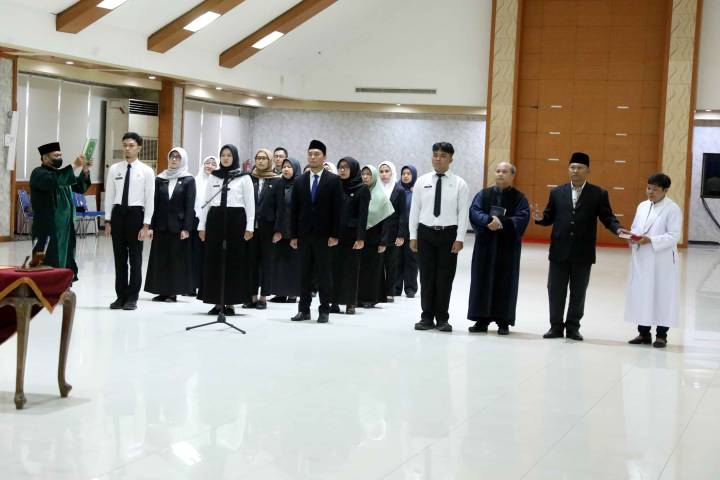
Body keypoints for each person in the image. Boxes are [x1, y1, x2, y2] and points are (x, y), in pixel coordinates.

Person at [532, 151, 623, 341]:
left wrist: (618, 229)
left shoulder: (598, 193)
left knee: (578, 291)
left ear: (588, 170)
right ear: (568, 169)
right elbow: (549, 216)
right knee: (555, 290)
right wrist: (540, 218)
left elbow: (607, 217)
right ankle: (555, 327)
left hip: (583, 251)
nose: (575, 171)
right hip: (559, 250)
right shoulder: (557, 192)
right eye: (572, 167)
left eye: (579, 168)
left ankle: (573, 327)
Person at [409, 142, 470, 332]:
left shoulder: (459, 184)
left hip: (448, 234)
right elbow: (415, 210)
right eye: (435, 154)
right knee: (426, 277)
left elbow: (463, 213)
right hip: (425, 233)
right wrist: (413, 235)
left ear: (451, 159)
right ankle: (426, 317)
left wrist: (460, 238)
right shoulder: (422, 181)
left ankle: (442, 318)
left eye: (443, 155)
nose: (438, 158)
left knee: (445, 278)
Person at [467, 162, 530, 335]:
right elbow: (474, 211)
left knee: (506, 282)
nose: (500, 174)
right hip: (485, 246)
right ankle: (481, 320)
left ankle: (503, 321)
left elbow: (522, 217)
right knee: (481, 280)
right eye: (498, 171)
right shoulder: (483, 194)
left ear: (512, 175)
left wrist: (502, 223)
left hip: (507, 248)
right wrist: (488, 221)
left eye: (505, 171)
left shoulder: (520, 198)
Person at [624, 173, 682, 348]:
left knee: (661, 295)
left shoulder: (672, 209)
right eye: (649, 188)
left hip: (662, 260)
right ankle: (643, 333)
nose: (650, 192)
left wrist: (651, 240)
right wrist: (631, 237)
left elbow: (674, 235)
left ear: (665, 190)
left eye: (655, 190)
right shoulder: (642, 206)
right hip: (642, 257)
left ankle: (661, 335)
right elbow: (636, 227)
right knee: (643, 294)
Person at [290, 140, 344, 323]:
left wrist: (335, 234)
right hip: (304, 235)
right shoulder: (300, 180)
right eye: (310, 154)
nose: (313, 157)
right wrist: (293, 235)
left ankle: (324, 310)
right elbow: (294, 210)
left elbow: (338, 210)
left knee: (324, 274)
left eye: (317, 154)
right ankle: (303, 310)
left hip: (325, 236)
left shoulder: (333, 180)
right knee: (304, 274)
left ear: (324, 157)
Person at [197, 144, 255, 316]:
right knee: (214, 261)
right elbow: (206, 202)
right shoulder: (214, 176)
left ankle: (230, 303)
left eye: (229, 155)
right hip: (215, 220)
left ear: (234, 157)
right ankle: (217, 302)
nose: (226, 158)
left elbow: (250, 204)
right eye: (223, 155)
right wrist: (202, 226)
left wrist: (249, 226)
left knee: (234, 262)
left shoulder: (244, 177)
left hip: (236, 220)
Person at [105, 132, 155, 311]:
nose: (127, 148)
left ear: (139, 148)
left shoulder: (146, 171)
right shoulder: (114, 169)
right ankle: (120, 296)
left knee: (135, 259)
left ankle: (132, 297)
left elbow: (150, 199)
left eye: (131, 145)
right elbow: (110, 195)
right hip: (118, 214)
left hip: (136, 216)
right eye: (125, 145)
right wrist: (108, 220)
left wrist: (146, 225)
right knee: (119, 259)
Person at [29, 142, 92, 279]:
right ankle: (46, 287)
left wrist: (85, 169)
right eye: (56, 155)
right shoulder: (38, 173)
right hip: (47, 227)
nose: (59, 158)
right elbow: (55, 181)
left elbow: (80, 187)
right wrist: (74, 165)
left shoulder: (61, 175)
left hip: (65, 228)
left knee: (66, 257)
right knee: (46, 260)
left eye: (60, 155)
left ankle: (63, 284)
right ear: (45, 158)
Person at [144, 147, 196, 302]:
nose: (174, 159)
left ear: (183, 160)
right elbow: (154, 204)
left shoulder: (188, 180)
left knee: (176, 261)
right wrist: (151, 226)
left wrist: (186, 228)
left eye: (177, 157)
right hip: (161, 226)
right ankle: (162, 291)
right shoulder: (160, 178)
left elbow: (190, 206)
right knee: (160, 259)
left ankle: (173, 293)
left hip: (178, 227)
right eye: (172, 156)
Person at [330, 157, 370, 315]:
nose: (342, 170)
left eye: (346, 167)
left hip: (352, 237)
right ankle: (333, 301)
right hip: (334, 235)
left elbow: (363, 216)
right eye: (340, 167)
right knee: (334, 269)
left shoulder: (362, 189)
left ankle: (350, 303)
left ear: (353, 169)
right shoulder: (335, 185)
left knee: (351, 270)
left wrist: (361, 238)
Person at [244, 148, 280, 310]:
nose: (260, 160)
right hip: (250, 228)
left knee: (266, 263)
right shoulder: (249, 179)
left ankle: (263, 297)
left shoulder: (276, 181)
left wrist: (278, 230)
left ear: (270, 161)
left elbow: (280, 208)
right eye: (258, 157)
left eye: (264, 158)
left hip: (268, 228)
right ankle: (251, 296)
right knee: (250, 262)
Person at [357, 165, 395, 308]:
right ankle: (358, 297)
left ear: (374, 177)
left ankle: (371, 298)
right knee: (360, 269)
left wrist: (383, 242)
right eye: (363, 174)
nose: (365, 177)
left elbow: (386, 221)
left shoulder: (381, 197)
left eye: (369, 174)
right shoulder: (359, 194)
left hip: (375, 240)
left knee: (373, 270)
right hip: (360, 237)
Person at [268, 158, 302, 303]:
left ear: (295, 168)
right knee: (279, 262)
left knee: (294, 262)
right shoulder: (278, 184)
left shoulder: (301, 185)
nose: (286, 169)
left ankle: (293, 293)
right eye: (284, 167)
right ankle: (280, 293)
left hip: (295, 229)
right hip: (279, 228)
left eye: (289, 167)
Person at [378, 160, 406, 303]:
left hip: (393, 231)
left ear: (392, 172)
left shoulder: (399, 190)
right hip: (377, 231)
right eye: (381, 171)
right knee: (377, 263)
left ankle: (390, 292)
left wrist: (401, 234)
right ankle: (377, 292)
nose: (384, 174)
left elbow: (403, 214)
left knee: (391, 264)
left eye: (386, 171)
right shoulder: (375, 189)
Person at [191, 156, 218, 296]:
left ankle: (205, 285)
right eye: (207, 163)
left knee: (209, 255)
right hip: (196, 221)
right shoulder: (195, 181)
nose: (210, 166)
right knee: (195, 255)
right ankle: (192, 285)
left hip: (212, 222)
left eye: (213, 164)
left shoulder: (219, 182)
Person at [394, 165, 418, 298]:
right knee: (397, 260)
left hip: (412, 231)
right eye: (403, 173)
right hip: (398, 230)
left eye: (409, 173)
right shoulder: (396, 189)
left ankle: (410, 288)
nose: (406, 176)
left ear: (413, 175)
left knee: (411, 261)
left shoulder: (418, 191)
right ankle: (396, 288)